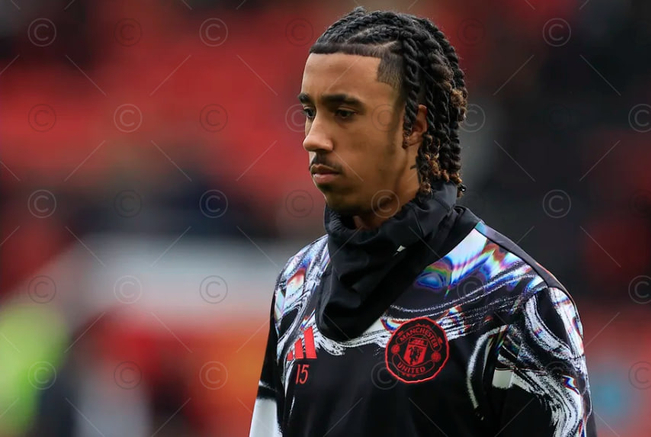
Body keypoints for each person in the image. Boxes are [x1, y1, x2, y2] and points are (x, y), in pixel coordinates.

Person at [250, 7, 596, 436]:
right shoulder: (297, 284)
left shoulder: (516, 302)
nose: (313, 138)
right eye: (309, 111)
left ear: (412, 126)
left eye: (344, 112)